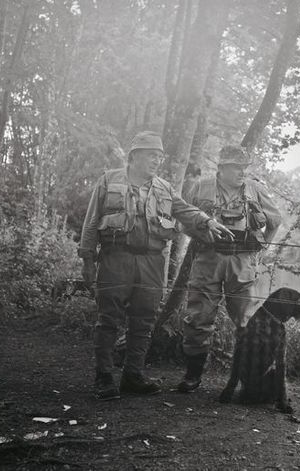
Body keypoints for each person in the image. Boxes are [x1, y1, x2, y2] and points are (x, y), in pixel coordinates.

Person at [78, 131, 233, 400]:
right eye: (152, 155)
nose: (157, 161)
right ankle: (104, 377)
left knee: (144, 320)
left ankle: (132, 376)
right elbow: (91, 223)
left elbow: (185, 210)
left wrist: (207, 222)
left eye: (160, 156)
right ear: (134, 155)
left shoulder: (163, 187)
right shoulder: (108, 180)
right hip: (116, 258)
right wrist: (87, 260)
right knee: (108, 320)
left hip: (152, 261)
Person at [177, 144, 282, 392]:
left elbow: (275, 220)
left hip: (242, 262)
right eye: (237, 167)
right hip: (207, 259)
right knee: (198, 317)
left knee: (248, 320)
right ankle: (193, 375)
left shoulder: (256, 189)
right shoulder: (202, 187)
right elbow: (183, 222)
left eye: (244, 168)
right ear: (222, 168)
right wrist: (202, 232)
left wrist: (263, 248)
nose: (241, 172)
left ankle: (251, 378)